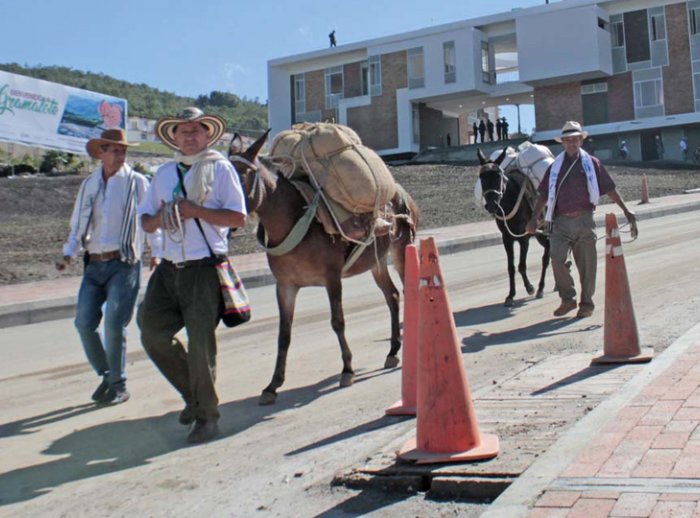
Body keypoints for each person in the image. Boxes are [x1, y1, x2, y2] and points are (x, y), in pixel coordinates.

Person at [137, 107, 247, 444]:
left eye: (195, 130)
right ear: (174, 137)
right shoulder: (164, 172)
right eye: (182, 131)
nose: (189, 136)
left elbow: (238, 218)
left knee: (201, 345)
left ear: (206, 135)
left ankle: (207, 418)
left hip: (202, 268)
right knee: (152, 332)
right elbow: (145, 220)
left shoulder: (221, 168)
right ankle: (195, 397)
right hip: (168, 268)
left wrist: (195, 211)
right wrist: (162, 217)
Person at [57, 129, 160, 405]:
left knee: (115, 323)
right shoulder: (90, 184)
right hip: (94, 263)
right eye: (114, 149)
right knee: (83, 322)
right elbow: (79, 222)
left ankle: (118, 384)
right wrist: (69, 252)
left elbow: (148, 218)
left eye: (123, 149)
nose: (120, 154)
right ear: (101, 153)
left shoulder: (137, 182)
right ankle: (106, 374)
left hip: (124, 262)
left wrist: (157, 250)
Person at [526, 121, 637, 319]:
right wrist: (534, 217)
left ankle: (587, 304)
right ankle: (568, 299)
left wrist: (626, 210)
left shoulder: (592, 163)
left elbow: (609, 188)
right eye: (567, 140)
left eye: (575, 139)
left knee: (587, 266)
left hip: (585, 220)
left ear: (581, 140)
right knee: (557, 259)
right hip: (560, 222)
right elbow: (543, 194)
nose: (571, 143)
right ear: (563, 143)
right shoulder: (555, 167)